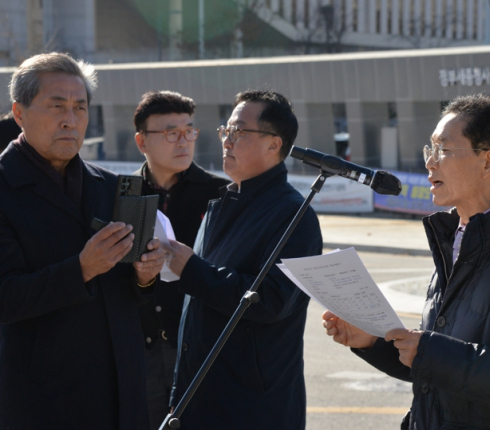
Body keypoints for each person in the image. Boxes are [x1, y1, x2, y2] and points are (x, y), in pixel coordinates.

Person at [323, 94, 490, 429]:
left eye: (443, 150)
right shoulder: (457, 239)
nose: (430, 163)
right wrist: (373, 342)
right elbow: (439, 370)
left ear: (488, 163)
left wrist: (431, 353)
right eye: (430, 149)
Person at [0, 52, 165, 430]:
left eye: (80, 107)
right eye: (56, 106)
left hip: (122, 389)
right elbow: (5, 297)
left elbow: (132, 292)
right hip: (43, 396)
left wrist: (145, 276)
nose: (70, 120)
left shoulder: (111, 186)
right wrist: (81, 269)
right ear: (19, 113)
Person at [164, 90, 323, 429]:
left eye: (239, 131)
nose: (227, 140)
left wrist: (192, 269)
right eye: (226, 130)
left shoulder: (293, 214)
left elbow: (271, 300)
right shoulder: (223, 204)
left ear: (273, 144)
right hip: (200, 397)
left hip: (250, 407)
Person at [132, 90, 229, 429]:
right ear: (142, 141)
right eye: (171, 133)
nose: (184, 141)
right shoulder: (122, 194)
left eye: (189, 131)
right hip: (137, 347)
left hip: (199, 347)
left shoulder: (221, 195)